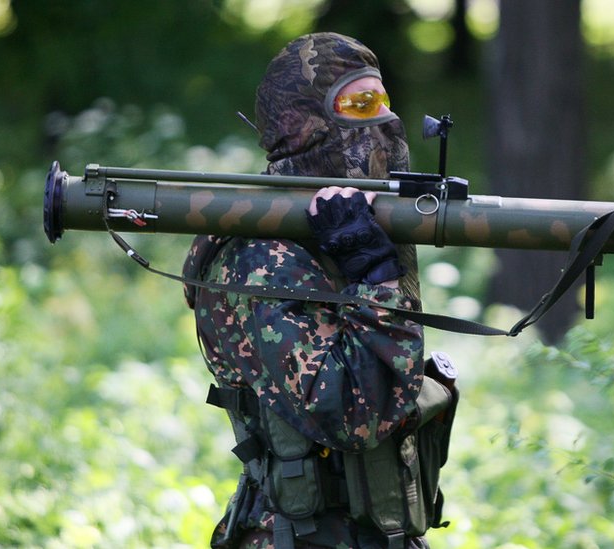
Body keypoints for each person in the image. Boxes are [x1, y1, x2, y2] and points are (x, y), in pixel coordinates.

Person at [182, 33, 454, 549]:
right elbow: (354, 416)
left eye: (384, 103)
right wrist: (375, 279)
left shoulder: (336, 233)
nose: (385, 124)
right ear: (304, 125)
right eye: (359, 105)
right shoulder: (257, 257)